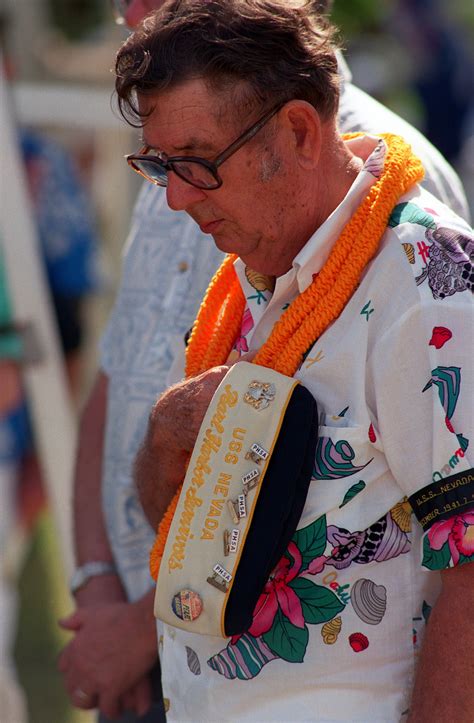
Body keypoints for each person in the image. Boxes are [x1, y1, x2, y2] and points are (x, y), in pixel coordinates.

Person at [58, 0, 471, 720]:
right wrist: (166, 432)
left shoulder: (424, 279)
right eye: (159, 164)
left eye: (195, 163)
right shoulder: (249, 269)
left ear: (302, 132)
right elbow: (194, 529)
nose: (177, 197)